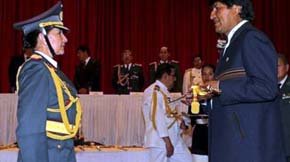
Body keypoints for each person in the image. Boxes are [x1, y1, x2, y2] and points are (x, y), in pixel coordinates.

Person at [206, 0, 285, 161]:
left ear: (236, 8)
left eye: (217, 8)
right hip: (233, 147)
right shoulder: (232, 44)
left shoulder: (251, 38)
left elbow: (266, 88)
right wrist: (205, 96)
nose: (211, 15)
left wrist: (220, 86)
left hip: (248, 150)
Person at [13, 2, 82, 162]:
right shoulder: (37, 71)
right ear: (42, 37)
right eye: (59, 33)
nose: (65, 39)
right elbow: (30, 130)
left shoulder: (50, 70)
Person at [142, 63, 192, 162]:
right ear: (165, 76)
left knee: (187, 159)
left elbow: (168, 114)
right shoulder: (154, 91)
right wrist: (167, 141)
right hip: (160, 140)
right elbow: (157, 117)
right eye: (173, 76)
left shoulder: (163, 91)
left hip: (174, 138)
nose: (175, 79)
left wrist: (179, 122)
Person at [278, 54, 290, 162]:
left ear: (287, 68)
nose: (275, 69)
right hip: (273, 146)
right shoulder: (267, 88)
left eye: (278, 66)